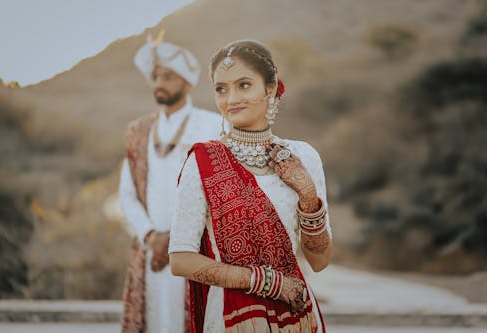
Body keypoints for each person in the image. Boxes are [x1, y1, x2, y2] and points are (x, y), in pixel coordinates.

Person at [169, 40, 333, 333]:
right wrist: (267, 282)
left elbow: (319, 261)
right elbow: (181, 260)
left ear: (270, 88)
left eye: (244, 85)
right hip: (231, 318)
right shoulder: (202, 161)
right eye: (221, 89)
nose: (231, 99)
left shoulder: (304, 157)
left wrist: (308, 197)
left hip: (297, 312)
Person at [119, 33, 222, 333]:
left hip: (195, 251)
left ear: (187, 83)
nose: (159, 83)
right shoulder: (138, 131)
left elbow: (217, 190)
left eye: (168, 76)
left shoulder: (212, 125)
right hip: (150, 250)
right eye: (155, 77)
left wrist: (177, 238)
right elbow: (127, 194)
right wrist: (152, 237)